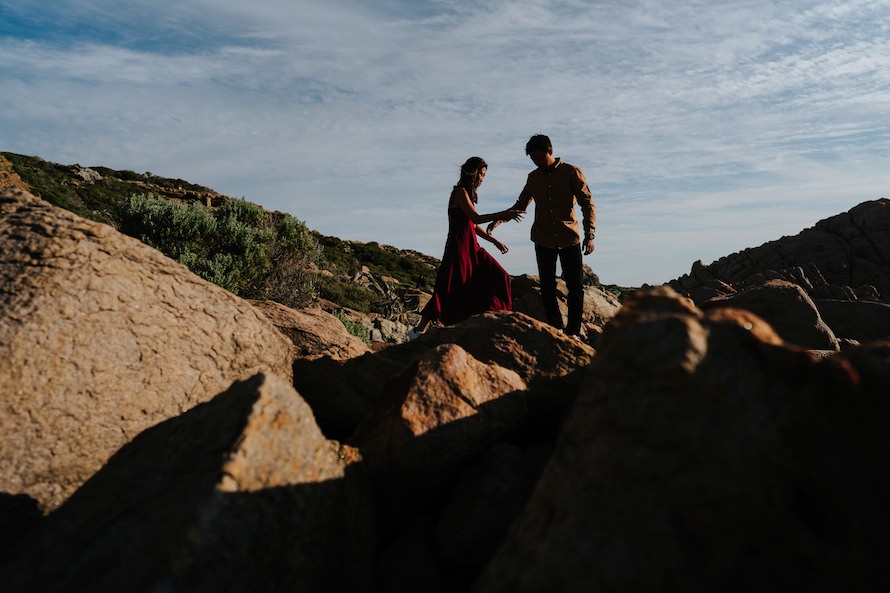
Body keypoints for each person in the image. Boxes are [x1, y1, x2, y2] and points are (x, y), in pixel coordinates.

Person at [488, 134, 596, 338]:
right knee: (547, 287)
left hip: (569, 238)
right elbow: (520, 205)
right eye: (533, 160)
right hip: (543, 238)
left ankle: (572, 332)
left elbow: (587, 204)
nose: (537, 163)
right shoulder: (533, 177)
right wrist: (500, 220)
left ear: (551, 151)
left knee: (575, 288)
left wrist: (590, 233)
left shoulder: (571, 172)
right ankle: (555, 328)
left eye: (539, 158)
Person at [410, 157, 524, 338]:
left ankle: (493, 320)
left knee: (499, 276)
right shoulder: (460, 192)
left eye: (484, 176)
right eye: (481, 174)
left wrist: (494, 241)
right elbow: (476, 218)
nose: (482, 179)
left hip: (472, 247)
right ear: (472, 172)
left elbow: (472, 225)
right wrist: (505, 213)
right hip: (459, 248)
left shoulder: (468, 194)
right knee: (448, 287)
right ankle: (418, 331)